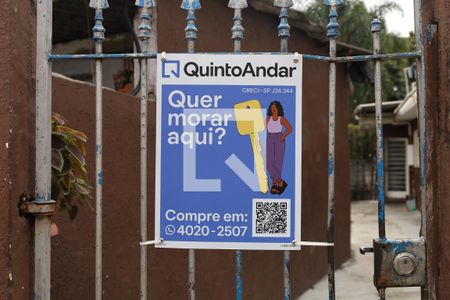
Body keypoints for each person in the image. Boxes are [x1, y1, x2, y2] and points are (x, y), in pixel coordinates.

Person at [266, 101, 292, 194]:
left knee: (277, 163)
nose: (273, 109)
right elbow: (262, 127)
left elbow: (289, 128)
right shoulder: (268, 118)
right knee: (269, 164)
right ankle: (280, 181)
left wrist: (282, 136)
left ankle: (274, 184)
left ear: (278, 109)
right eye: (272, 108)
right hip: (269, 139)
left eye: (275, 108)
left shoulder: (281, 119)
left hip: (279, 139)